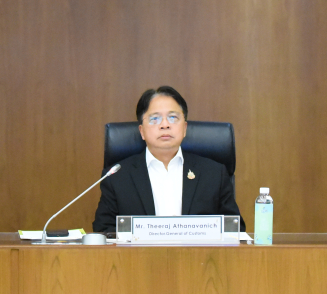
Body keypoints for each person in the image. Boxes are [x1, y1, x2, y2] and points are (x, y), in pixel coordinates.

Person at [92, 86, 245, 233]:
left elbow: (235, 229)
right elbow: (104, 231)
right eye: (154, 119)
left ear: (184, 128)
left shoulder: (214, 174)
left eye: (173, 117)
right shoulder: (117, 177)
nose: (165, 125)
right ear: (142, 131)